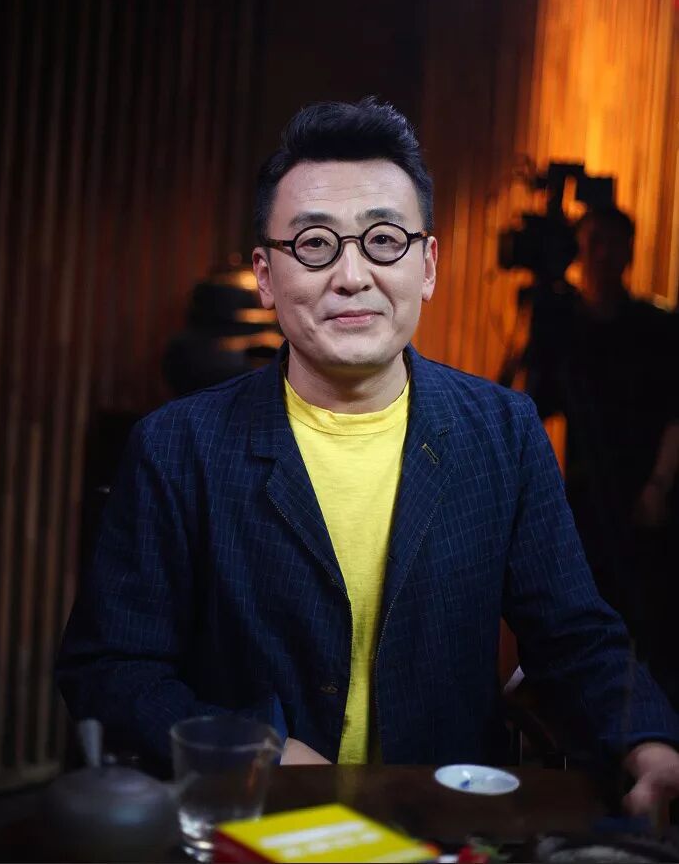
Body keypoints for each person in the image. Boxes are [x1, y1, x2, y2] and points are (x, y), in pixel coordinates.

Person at [58, 98, 679, 814]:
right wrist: (255, 746)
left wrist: (649, 740)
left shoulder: (503, 432)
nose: (351, 275)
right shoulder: (178, 447)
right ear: (266, 275)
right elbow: (111, 668)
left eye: (384, 240)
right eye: (314, 244)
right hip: (257, 825)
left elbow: (573, 635)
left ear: (428, 265)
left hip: (444, 823)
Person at [524, 206, 679, 700]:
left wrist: (659, 485)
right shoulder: (565, 326)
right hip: (586, 496)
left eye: (614, 243)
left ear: (629, 251)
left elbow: (675, 413)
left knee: (650, 623)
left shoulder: (656, 328)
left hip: (646, 495)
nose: (604, 255)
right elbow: (533, 403)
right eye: (594, 243)